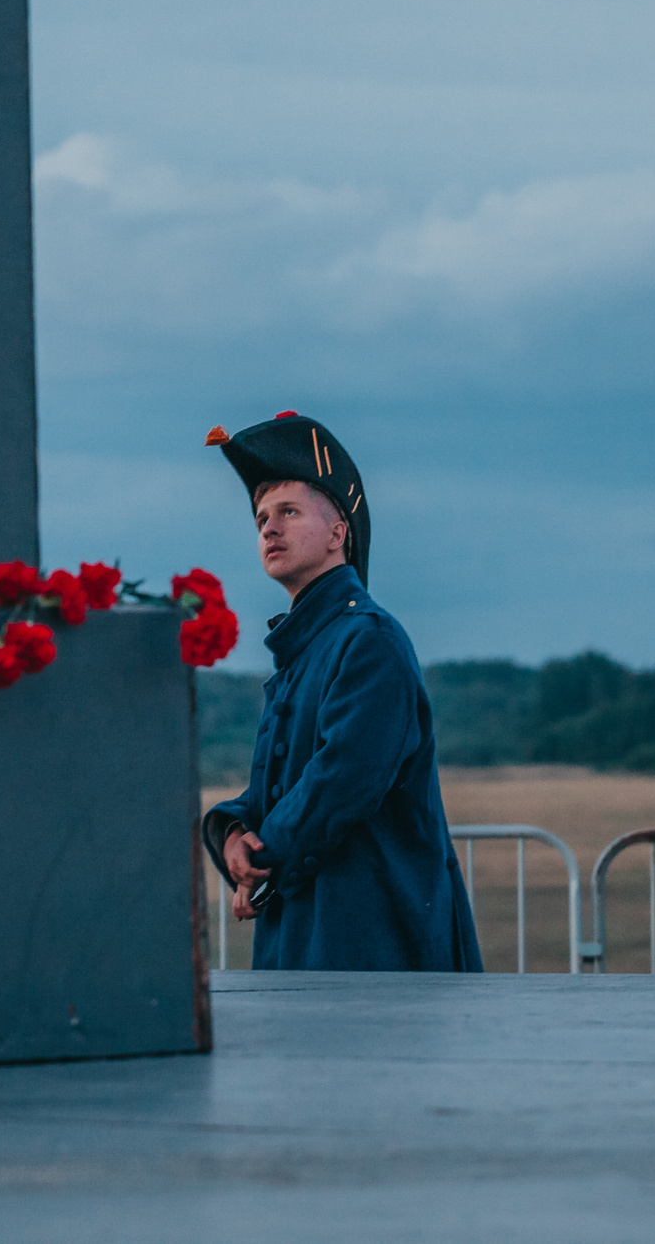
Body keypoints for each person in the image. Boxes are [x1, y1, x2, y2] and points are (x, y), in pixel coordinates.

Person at [199, 412, 482, 972]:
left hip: (374, 934)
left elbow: (342, 779)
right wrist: (232, 833)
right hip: (309, 929)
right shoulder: (308, 647)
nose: (269, 529)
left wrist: (263, 859)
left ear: (337, 534)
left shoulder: (369, 640)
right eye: (261, 518)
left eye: (289, 512)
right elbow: (277, 787)